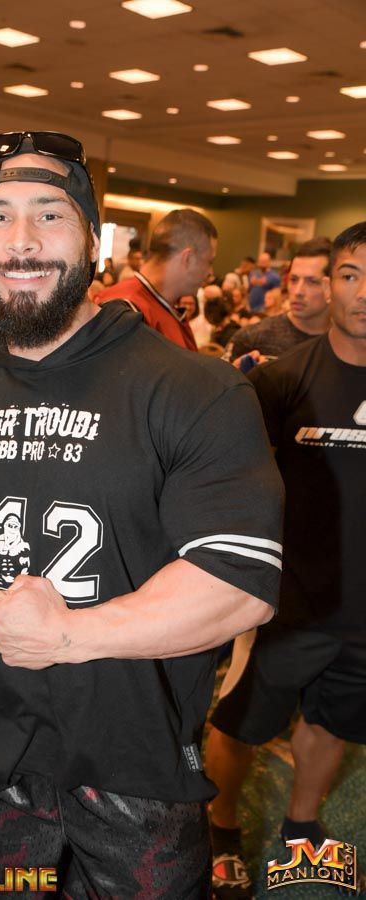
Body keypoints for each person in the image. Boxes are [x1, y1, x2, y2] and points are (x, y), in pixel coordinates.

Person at [0, 129, 283, 898]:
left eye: (49, 215)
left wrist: (70, 635)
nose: (21, 241)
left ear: (92, 238)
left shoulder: (194, 390)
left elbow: (237, 581)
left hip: (138, 779)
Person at [205, 221, 366, 900]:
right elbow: (231, 490)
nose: (363, 292)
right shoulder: (280, 382)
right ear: (330, 284)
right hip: (287, 603)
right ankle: (219, 833)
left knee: (332, 722)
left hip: (363, 611)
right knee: (239, 724)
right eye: (351, 275)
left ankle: (302, 825)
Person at [97, 208, 218, 350]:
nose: (210, 272)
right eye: (209, 262)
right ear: (188, 259)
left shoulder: (162, 305)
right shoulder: (125, 309)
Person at [224, 238, 332, 366]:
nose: (298, 291)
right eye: (293, 279)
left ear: (331, 286)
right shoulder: (252, 338)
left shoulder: (347, 344)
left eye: (312, 282)